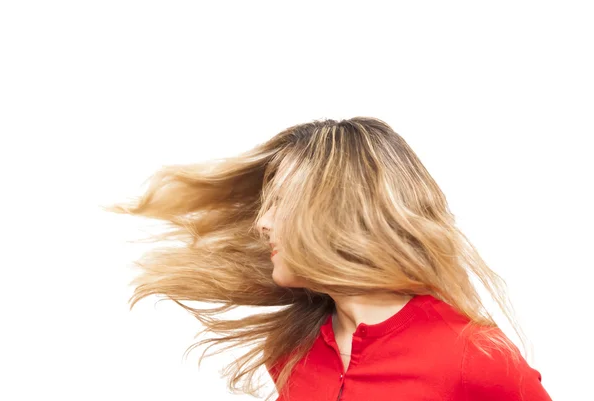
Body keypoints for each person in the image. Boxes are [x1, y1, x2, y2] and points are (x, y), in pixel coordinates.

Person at [107, 117, 552, 401]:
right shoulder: (290, 351)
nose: (262, 222)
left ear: (341, 210)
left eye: (281, 201)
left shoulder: (473, 356)